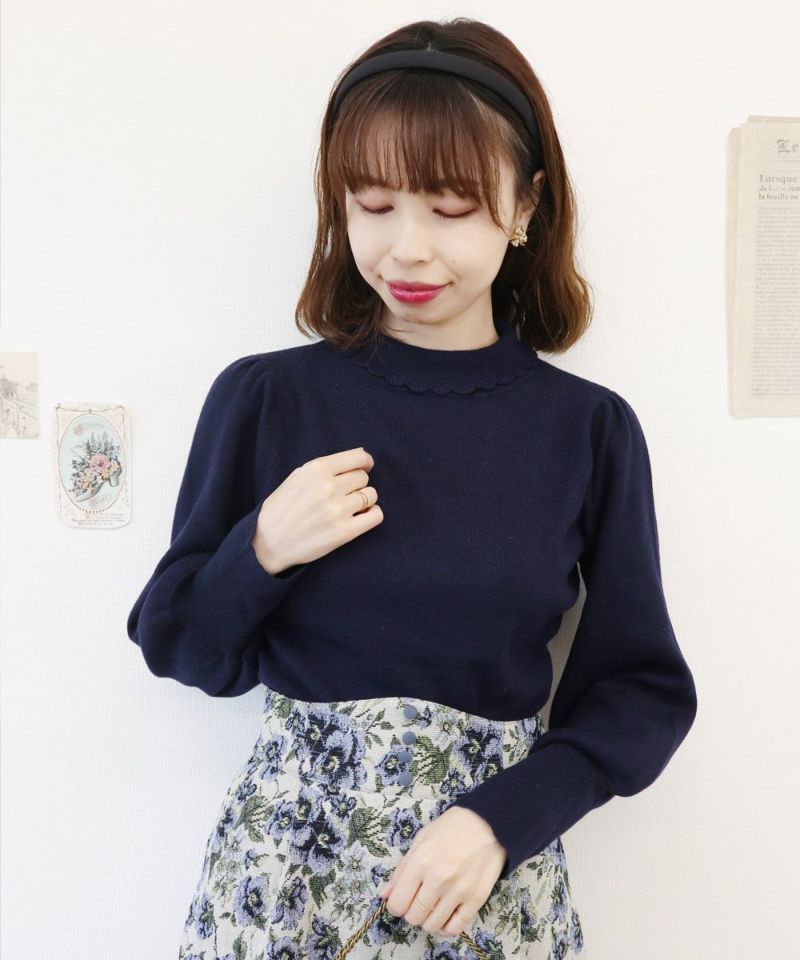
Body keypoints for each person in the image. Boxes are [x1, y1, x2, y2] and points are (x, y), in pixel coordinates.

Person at [127, 17, 698, 960]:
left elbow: (642, 690)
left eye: (451, 206)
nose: (407, 249)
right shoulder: (267, 399)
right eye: (374, 204)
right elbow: (179, 645)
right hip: (284, 886)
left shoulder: (586, 430)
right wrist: (263, 548)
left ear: (525, 205)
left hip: (483, 891)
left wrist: (504, 821)